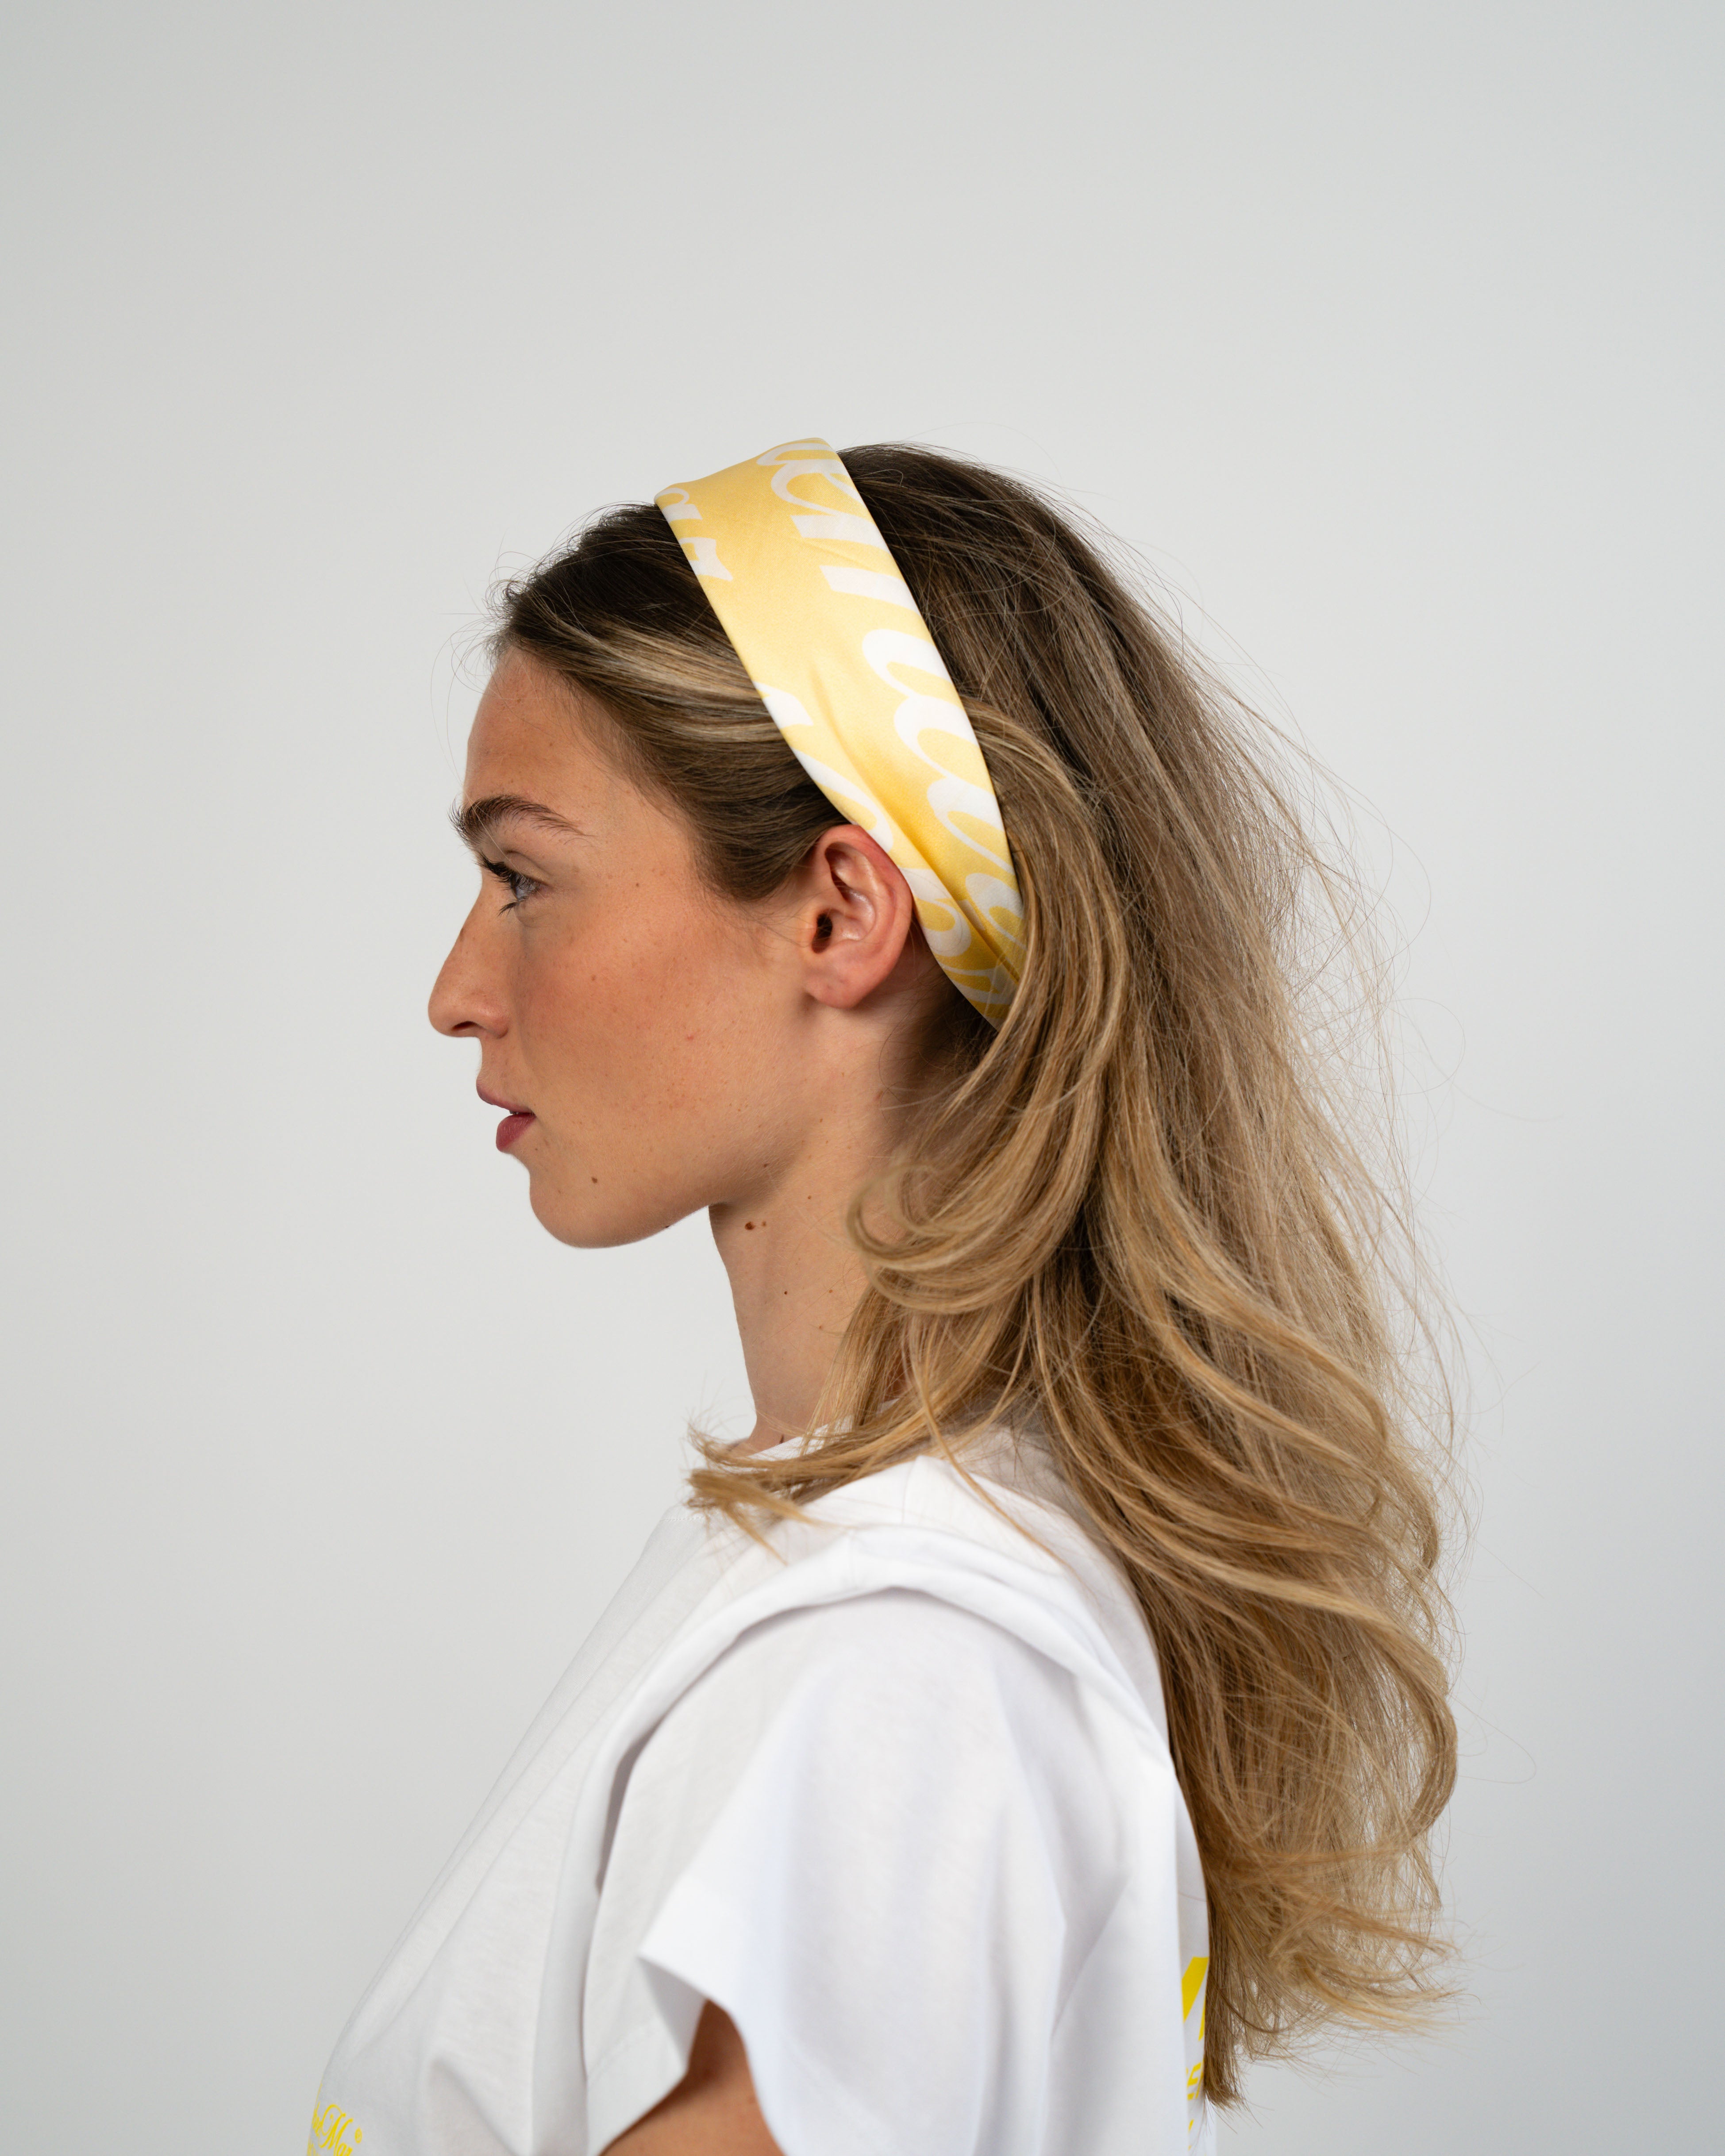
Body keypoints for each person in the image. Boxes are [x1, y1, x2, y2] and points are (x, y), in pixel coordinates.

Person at [308, 439, 1456, 2156]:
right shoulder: (872, 1591)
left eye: (523, 877)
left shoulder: (891, 1675)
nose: (456, 989)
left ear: (841, 914)